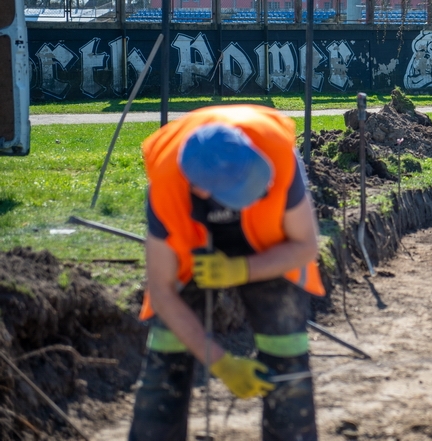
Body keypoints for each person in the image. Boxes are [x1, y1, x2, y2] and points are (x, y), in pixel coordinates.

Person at [129, 104, 324, 441]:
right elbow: (161, 290)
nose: (259, 193)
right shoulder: (166, 187)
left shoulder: (276, 152)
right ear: (202, 190)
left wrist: (242, 269)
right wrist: (220, 363)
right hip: (192, 251)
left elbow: (306, 245)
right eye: (242, 190)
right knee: (167, 352)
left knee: (286, 354)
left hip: (268, 246)